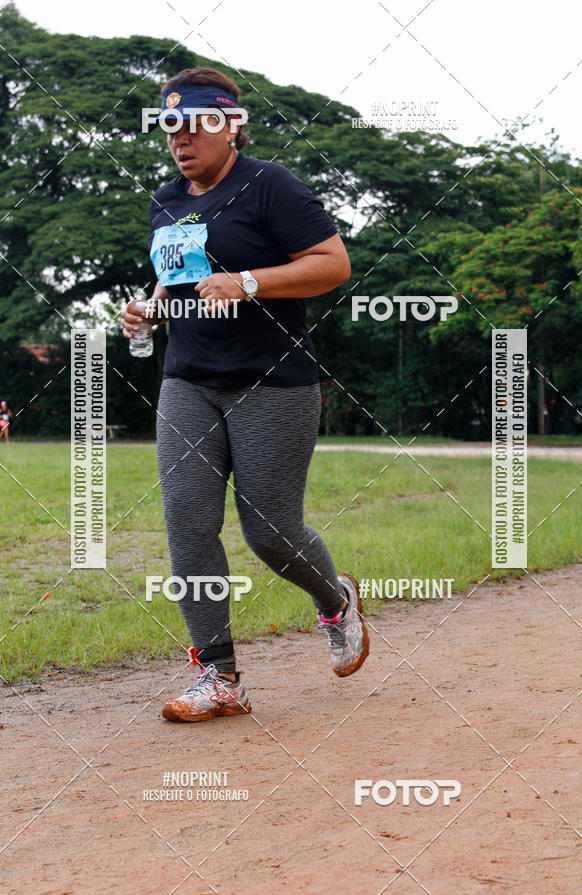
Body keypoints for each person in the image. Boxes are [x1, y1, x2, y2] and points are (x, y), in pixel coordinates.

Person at [121, 67, 369, 723]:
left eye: (196, 122)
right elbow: (180, 280)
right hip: (188, 380)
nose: (181, 138)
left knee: (271, 534)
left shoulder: (269, 185)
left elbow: (333, 263)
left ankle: (335, 601)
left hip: (273, 382)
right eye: (170, 125)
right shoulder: (166, 199)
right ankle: (219, 677)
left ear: (232, 124)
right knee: (188, 527)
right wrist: (150, 311)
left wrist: (250, 283)